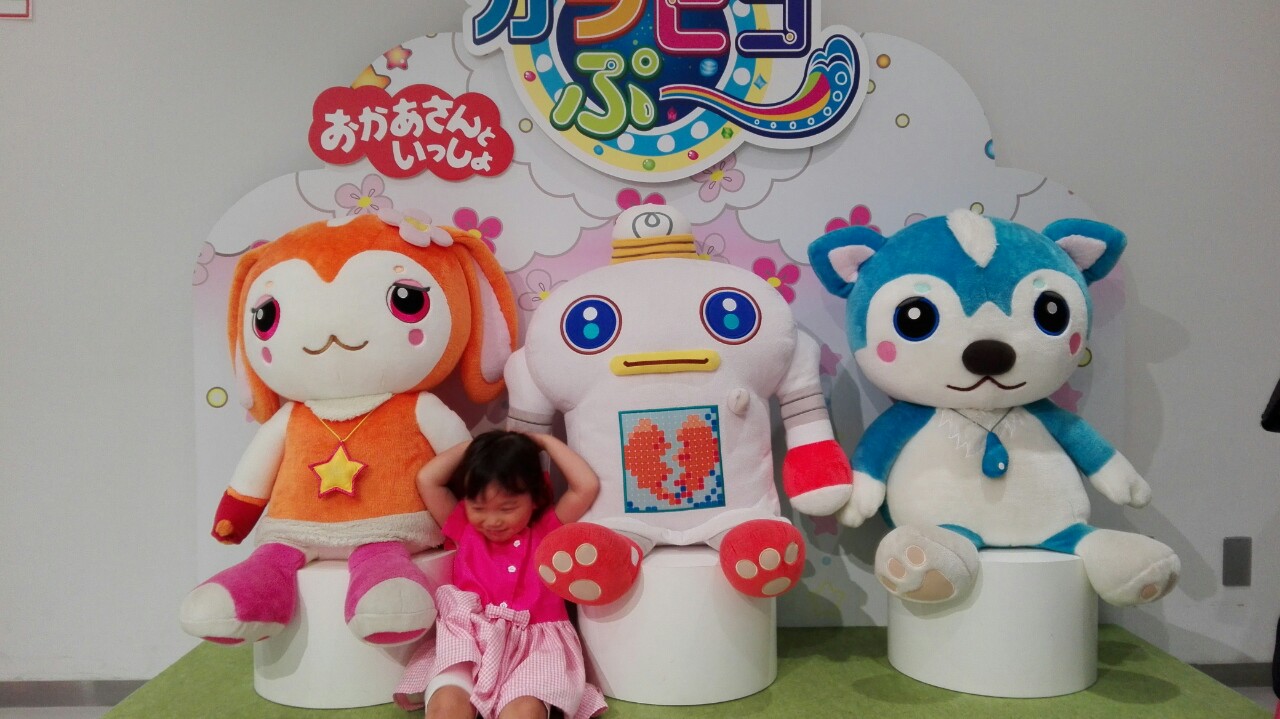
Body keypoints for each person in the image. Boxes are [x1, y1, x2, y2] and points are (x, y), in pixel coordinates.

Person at [395, 430, 607, 719]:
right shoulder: (464, 528)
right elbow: (427, 479)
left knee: (524, 713)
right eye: (478, 507)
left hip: (535, 649)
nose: (492, 520)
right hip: (471, 639)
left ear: (535, 499)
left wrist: (543, 441)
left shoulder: (548, 529)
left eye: (507, 508)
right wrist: (483, 445)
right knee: (446, 707)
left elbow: (586, 486)